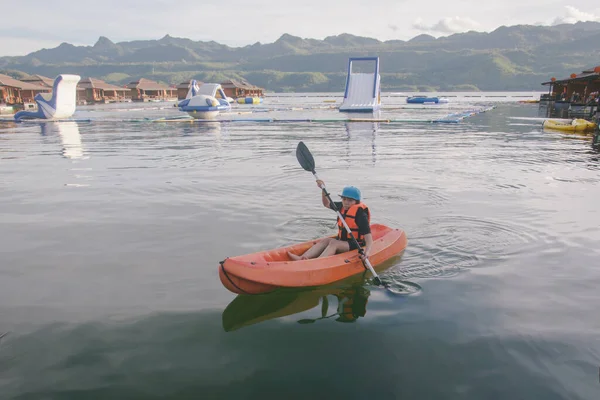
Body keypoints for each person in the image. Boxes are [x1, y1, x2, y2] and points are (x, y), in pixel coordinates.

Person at [288, 180, 373, 261]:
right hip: (343, 241)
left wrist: (367, 252)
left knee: (334, 243)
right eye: (344, 199)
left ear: (356, 202)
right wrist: (323, 189)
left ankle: (317, 262)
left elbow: (368, 238)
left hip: (356, 244)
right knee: (326, 240)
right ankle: (303, 257)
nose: (346, 202)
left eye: (350, 200)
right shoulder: (341, 206)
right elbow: (326, 203)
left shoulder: (360, 214)